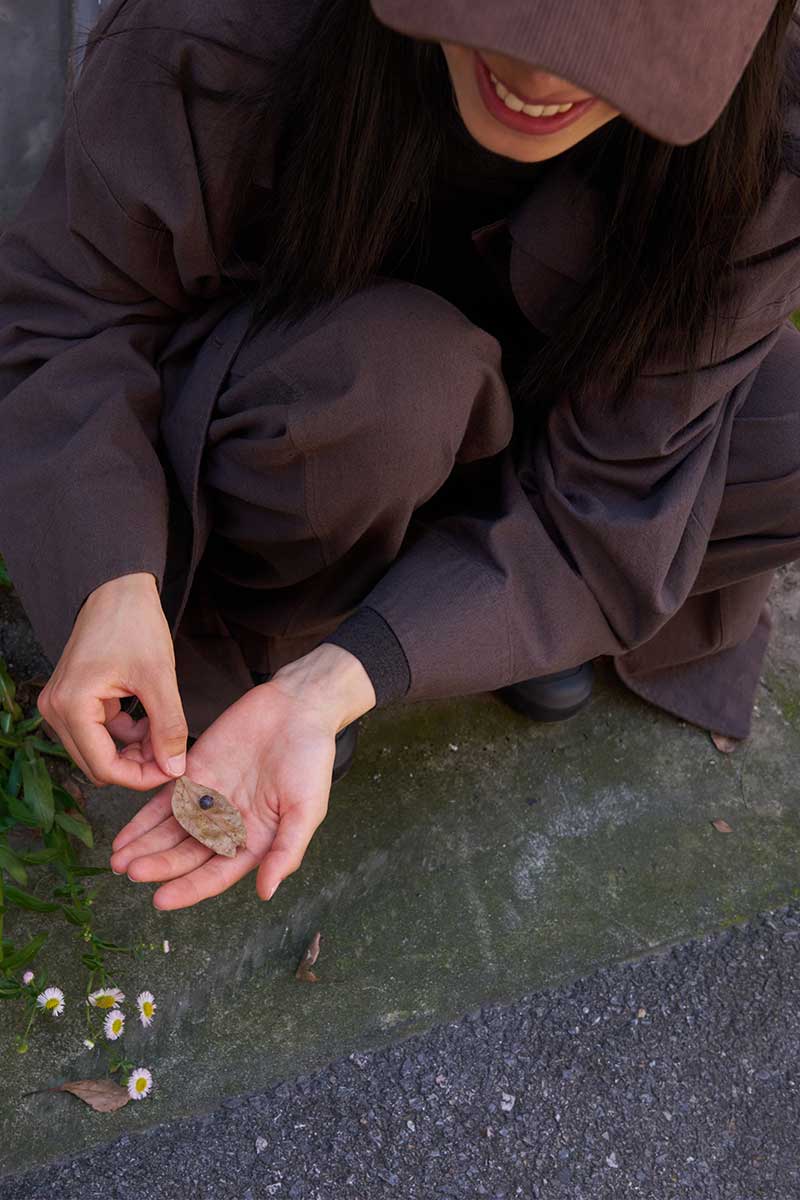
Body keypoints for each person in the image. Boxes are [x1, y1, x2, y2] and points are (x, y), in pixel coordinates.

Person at [0, 0, 798, 911]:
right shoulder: (234, 21)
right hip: (314, 406)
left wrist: (338, 682)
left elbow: (625, 482)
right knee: (394, 388)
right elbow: (71, 307)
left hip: (551, 420)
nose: (540, 79)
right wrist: (109, 574)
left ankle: (445, 628)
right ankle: (294, 622)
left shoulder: (772, 110)